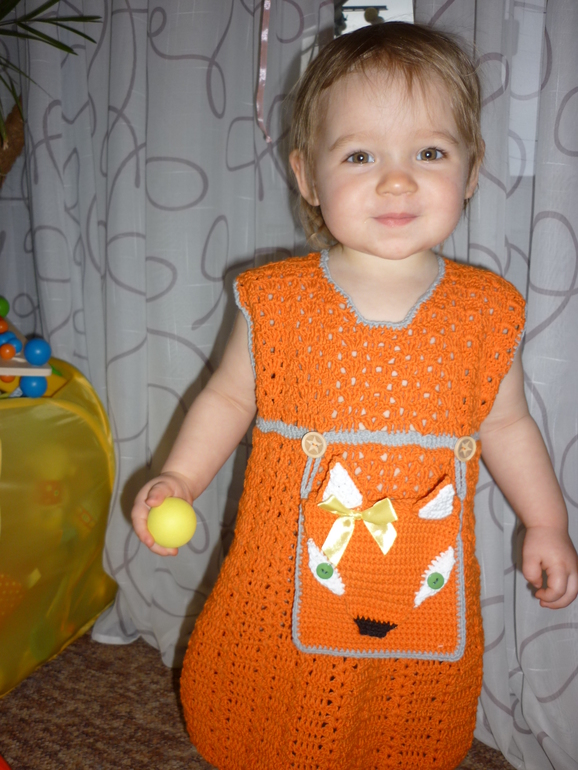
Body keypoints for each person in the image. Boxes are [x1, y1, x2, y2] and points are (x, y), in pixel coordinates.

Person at [131, 22, 578, 770]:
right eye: (360, 155)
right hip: (288, 566)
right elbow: (228, 400)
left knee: (402, 706)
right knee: (277, 696)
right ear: (308, 177)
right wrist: (180, 476)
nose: (397, 181)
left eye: (429, 153)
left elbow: (507, 425)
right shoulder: (276, 301)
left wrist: (547, 522)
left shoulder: (486, 310)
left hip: (418, 573)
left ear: (471, 171)